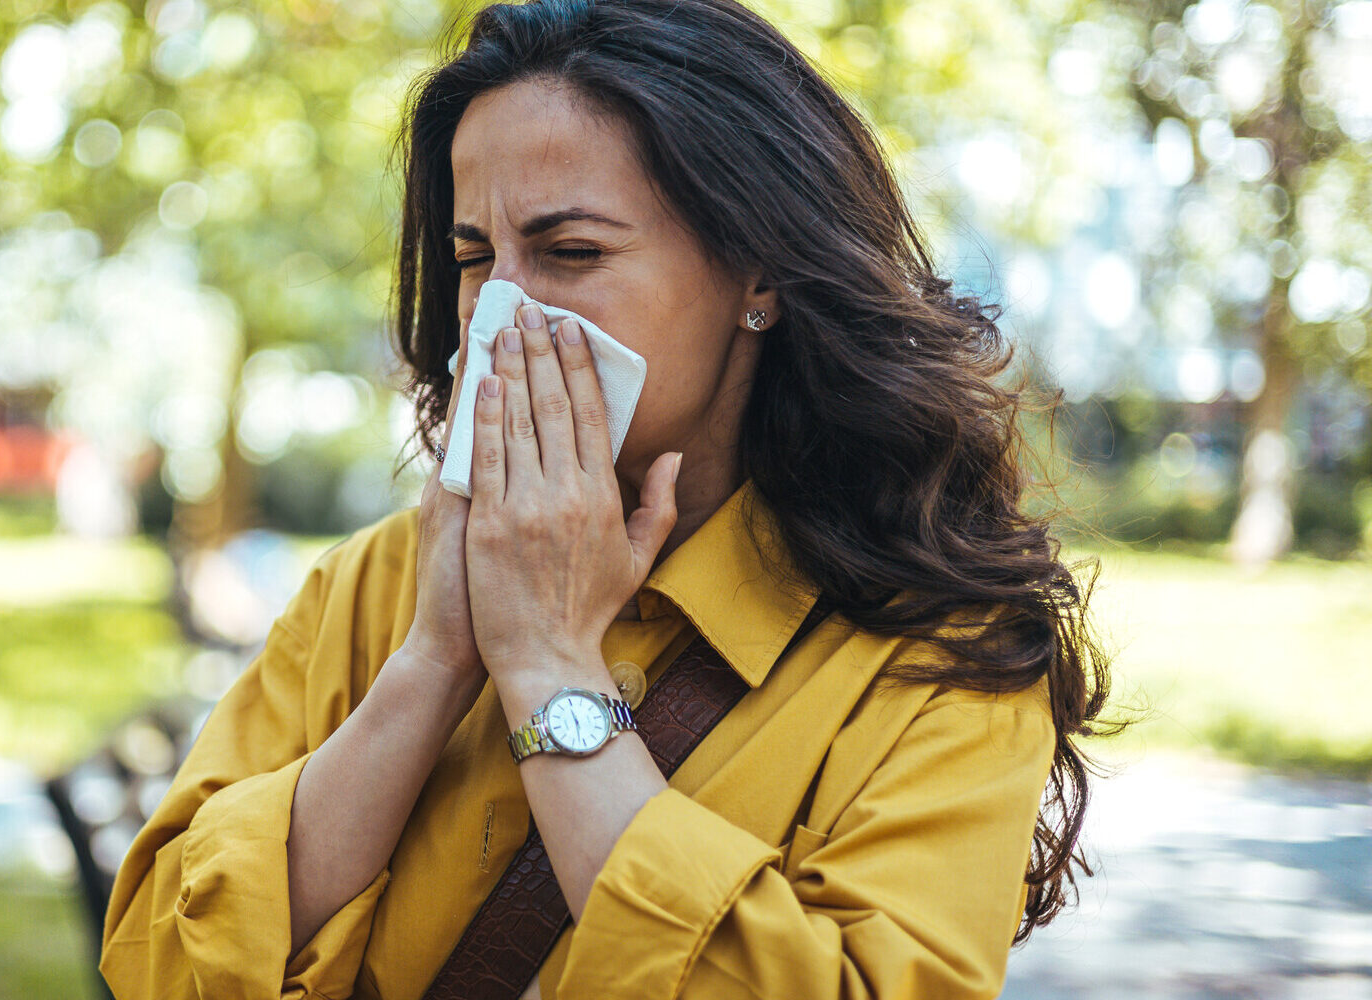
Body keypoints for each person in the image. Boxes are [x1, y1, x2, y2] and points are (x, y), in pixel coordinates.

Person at [100, 0, 1110, 996]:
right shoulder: (372, 587)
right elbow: (158, 960)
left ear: (757, 271)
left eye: (571, 253)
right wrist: (434, 662)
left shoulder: (935, 654)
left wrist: (546, 667)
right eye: (470, 259)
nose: (502, 310)